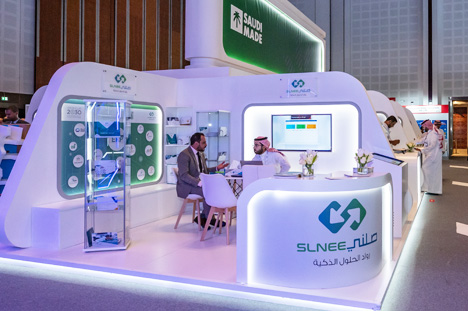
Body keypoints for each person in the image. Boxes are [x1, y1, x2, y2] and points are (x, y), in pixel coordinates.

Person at [176, 132, 229, 228]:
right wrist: (199, 183)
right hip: (187, 186)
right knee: (208, 192)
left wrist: (217, 168)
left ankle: (204, 217)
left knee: (215, 190)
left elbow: (204, 171)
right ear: (196, 143)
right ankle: (208, 218)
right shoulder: (184, 155)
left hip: (198, 184)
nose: (206, 144)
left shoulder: (201, 154)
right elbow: (183, 175)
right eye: (204, 143)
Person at [415, 120, 442, 194]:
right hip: (431, 154)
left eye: (424, 127)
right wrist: (413, 143)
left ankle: (428, 188)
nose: (423, 128)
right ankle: (429, 188)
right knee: (428, 170)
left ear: (427, 126)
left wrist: (422, 150)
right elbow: (423, 140)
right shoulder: (430, 132)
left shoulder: (433, 133)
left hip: (433, 155)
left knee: (426, 169)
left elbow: (432, 145)